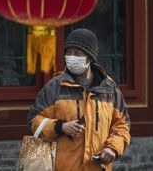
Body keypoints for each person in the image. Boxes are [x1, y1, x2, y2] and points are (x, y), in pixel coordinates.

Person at [27, 28, 130, 170]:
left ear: (89, 57)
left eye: (77, 53)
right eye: (68, 52)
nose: (71, 57)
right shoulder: (55, 86)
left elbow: (122, 126)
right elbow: (33, 122)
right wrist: (60, 127)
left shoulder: (109, 89)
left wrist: (112, 149)